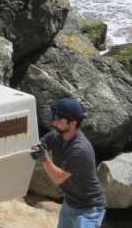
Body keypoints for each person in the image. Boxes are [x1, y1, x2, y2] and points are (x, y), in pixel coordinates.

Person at [31, 98, 106, 228]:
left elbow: (59, 178)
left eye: (58, 118)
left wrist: (44, 158)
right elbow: (36, 145)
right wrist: (35, 147)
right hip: (70, 202)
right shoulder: (56, 136)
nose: (54, 121)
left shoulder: (80, 149)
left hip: (89, 209)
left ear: (72, 123)